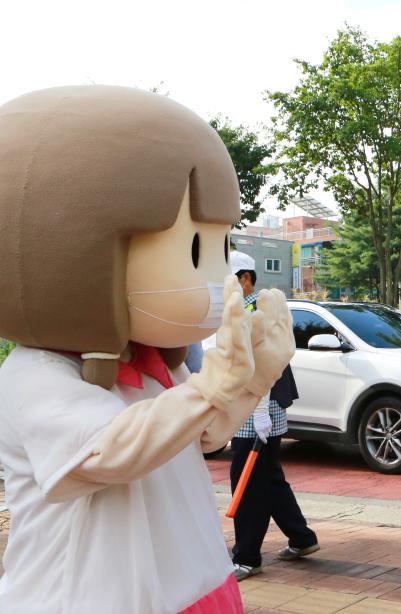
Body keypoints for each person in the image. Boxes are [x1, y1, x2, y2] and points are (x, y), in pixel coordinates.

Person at [0, 85, 294, 613]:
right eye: (196, 249)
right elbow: (109, 453)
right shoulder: (36, 374)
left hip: (191, 584)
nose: (219, 277)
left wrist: (251, 381)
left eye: (220, 247)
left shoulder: (151, 364)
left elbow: (202, 435)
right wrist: (211, 385)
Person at [228, 250, 320, 581]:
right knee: (269, 480)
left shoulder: (255, 312)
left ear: (246, 279)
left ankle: (247, 557)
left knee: (250, 487)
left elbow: (266, 368)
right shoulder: (246, 309)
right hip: (257, 414)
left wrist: (262, 414)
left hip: (256, 416)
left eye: (228, 281)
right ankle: (302, 538)